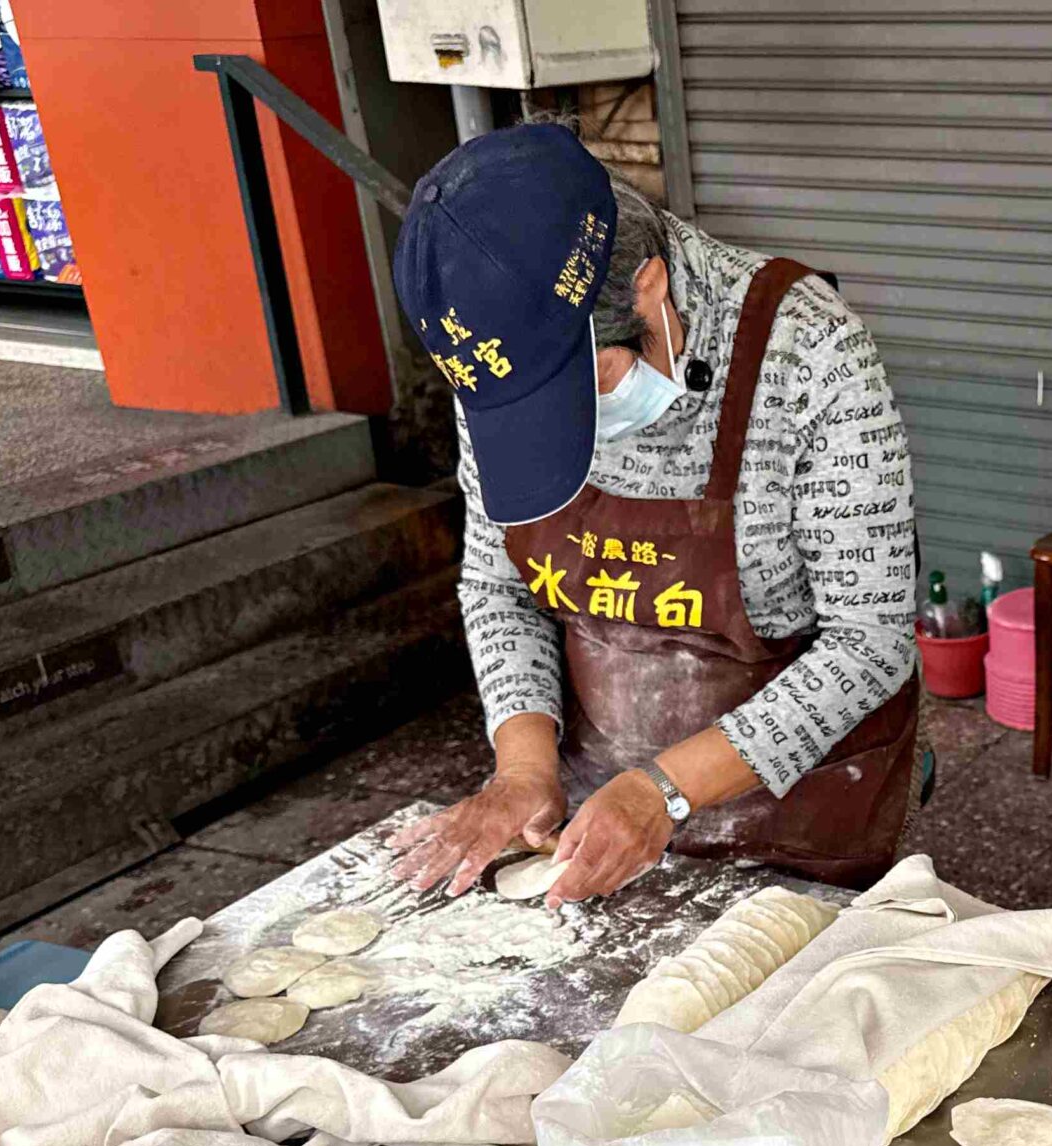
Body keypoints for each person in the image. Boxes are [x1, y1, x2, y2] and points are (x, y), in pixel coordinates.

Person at [386, 123, 919, 907]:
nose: (562, 435)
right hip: (592, 823)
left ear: (649, 289)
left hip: (798, 818)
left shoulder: (810, 353)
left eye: (581, 392)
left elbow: (871, 644)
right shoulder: (495, 367)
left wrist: (663, 794)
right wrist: (524, 769)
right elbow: (498, 588)